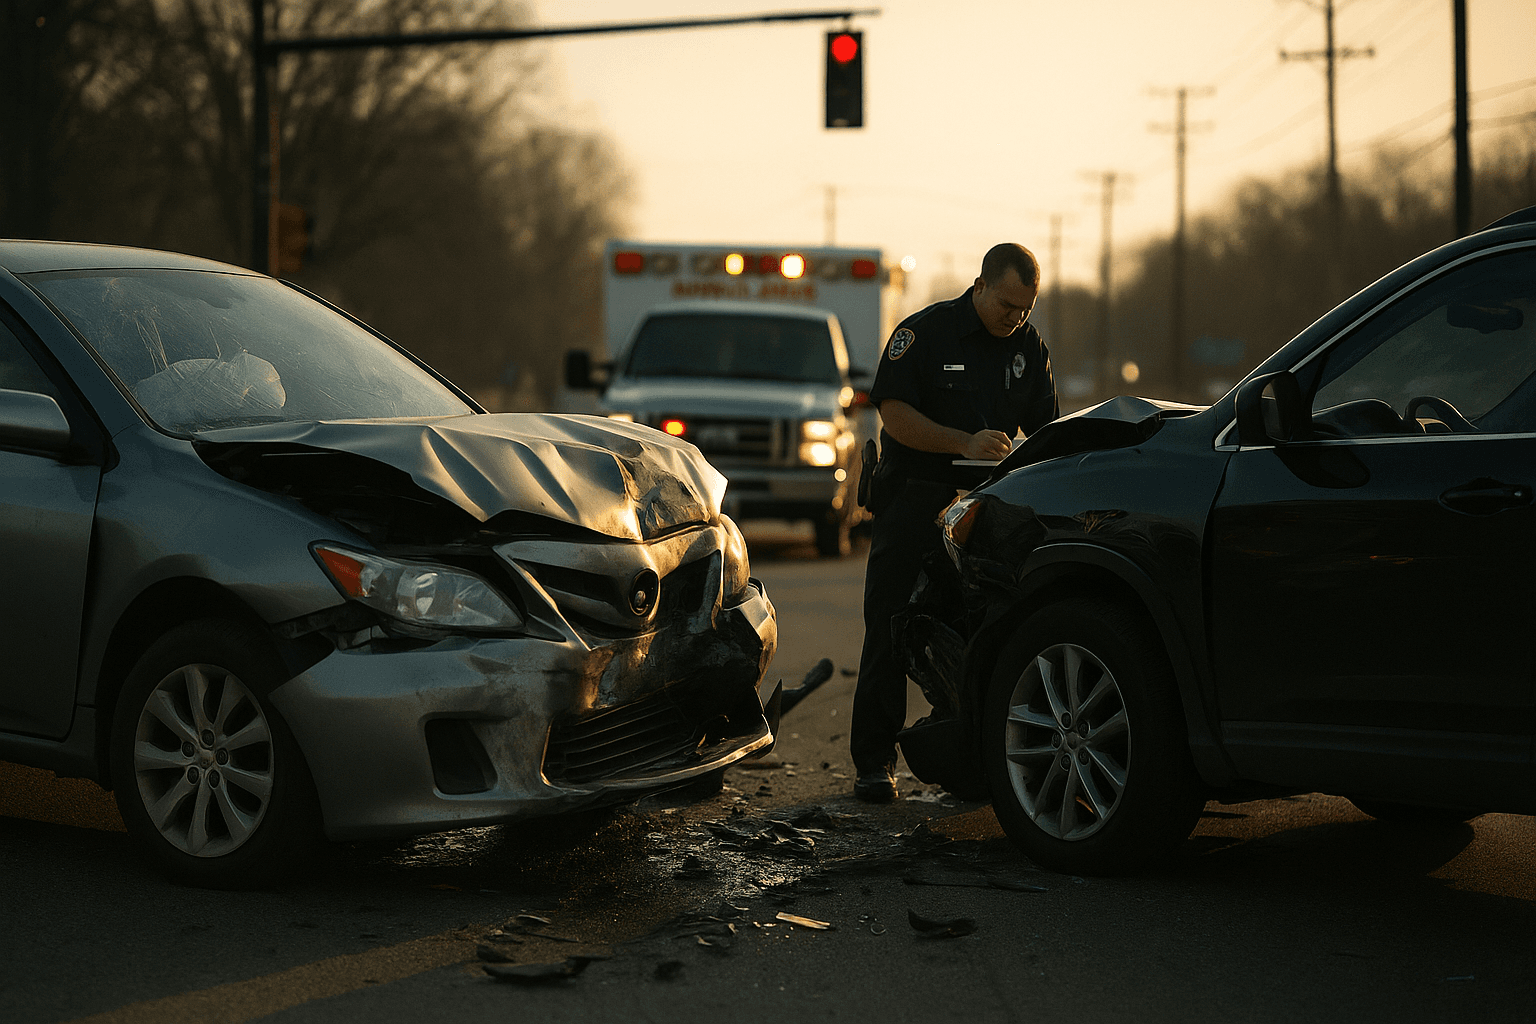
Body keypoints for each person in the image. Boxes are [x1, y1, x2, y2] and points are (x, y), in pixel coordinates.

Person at [851, 242, 1059, 802]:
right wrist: (962, 441)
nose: (1015, 317)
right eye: (1007, 305)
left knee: (982, 630)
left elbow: (1045, 429)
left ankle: (971, 760)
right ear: (981, 286)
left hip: (985, 507)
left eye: (1026, 308)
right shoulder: (925, 334)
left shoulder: (1029, 347)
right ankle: (874, 762)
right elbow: (894, 415)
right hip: (916, 497)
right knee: (892, 625)